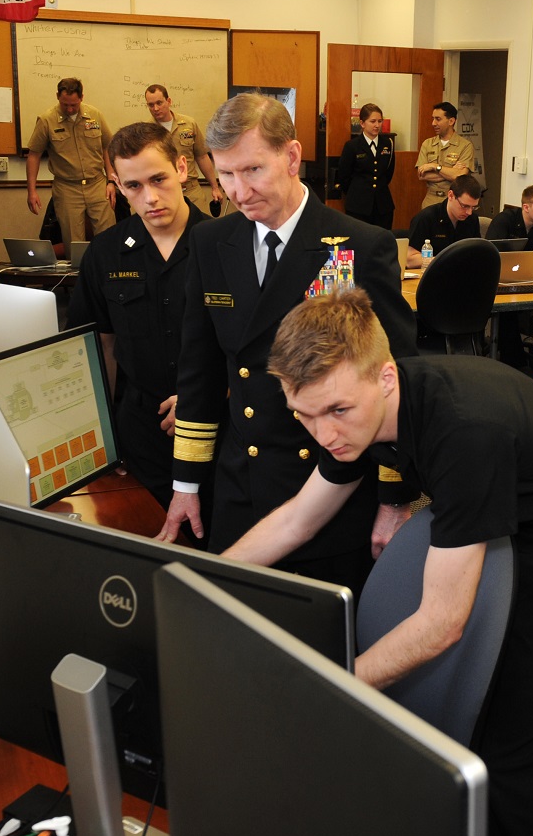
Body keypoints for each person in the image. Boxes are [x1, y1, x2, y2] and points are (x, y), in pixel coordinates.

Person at [224, 289, 533, 836]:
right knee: (491, 719)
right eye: (303, 415)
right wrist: (203, 578)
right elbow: (298, 519)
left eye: (335, 411)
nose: (322, 435)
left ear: (385, 377)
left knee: (521, 750)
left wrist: (334, 684)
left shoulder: (464, 427)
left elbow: (444, 622)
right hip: (513, 524)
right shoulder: (356, 415)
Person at [156, 94, 417, 593]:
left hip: (332, 482)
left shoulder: (359, 245)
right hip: (241, 483)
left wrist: (393, 497)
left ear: (292, 157)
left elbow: (396, 383)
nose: (238, 190)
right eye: (226, 174)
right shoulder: (211, 243)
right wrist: (186, 484)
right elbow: (200, 372)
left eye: (252, 169)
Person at [67, 123, 209, 510]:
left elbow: (251, 346)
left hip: (215, 424)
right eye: (133, 186)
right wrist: (103, 438)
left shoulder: (222, 244)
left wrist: (203, 397)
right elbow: (100, 344)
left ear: (182, 169)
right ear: (116, 184)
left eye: (158, 179)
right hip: (138, 431)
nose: (150, 198)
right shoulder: (106, 252)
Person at [25, 77, 117, 239]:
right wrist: (32, 191)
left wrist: (111, 181)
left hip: (97, 184)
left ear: (81, 97)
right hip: (67, 188)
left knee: (109, 238)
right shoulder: (47, 120)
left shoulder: (95, 115)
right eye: (64, 104)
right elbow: (34, 155)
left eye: (73, 105)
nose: (69, 109)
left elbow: (107, 148)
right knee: (73, 241)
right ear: (57, 97)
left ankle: (107, 265)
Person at [489, 185, 533, 371]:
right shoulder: (504, 221)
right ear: (526, 207)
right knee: (508, 309)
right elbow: (490, 255)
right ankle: (513, 360)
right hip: (498, 279)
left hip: (525, 278)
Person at [144, 84, 224, 215]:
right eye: (151, 105)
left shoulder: (188, 124)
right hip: (162, 192)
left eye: (159, 103)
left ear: (169, 101)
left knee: (200, 229)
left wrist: (215, 187)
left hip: (191, 190)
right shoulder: (147, 131)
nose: (156, 108)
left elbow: (202, 156)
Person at [334, 102, 395, 230]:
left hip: (382, 205)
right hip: (358, 205)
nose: (377, 125)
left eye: (379, 121)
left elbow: (388, 172)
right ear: (362, 123)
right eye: (372, 121)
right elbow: (344, 176)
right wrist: (357, 192)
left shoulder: (387, 144)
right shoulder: (352, 146)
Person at [406, 174, 482, 269]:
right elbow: (410, 259)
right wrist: (446, 260)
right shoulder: (426, 218)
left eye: (474, 207)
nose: (469, 212)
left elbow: (477, 253)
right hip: (432, 275)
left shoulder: (472, 219)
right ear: (450, 195)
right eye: (464, 206)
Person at [415, 101, 476, 210]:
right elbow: (422, 175)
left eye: (438, 119)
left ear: (451, 121)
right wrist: (452, 171)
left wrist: (435, 167)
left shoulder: (465, 146)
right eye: (433, 118)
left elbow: (460, 176)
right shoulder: (427, 144)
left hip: (454, 202)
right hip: (430, 201)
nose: (433, 123)